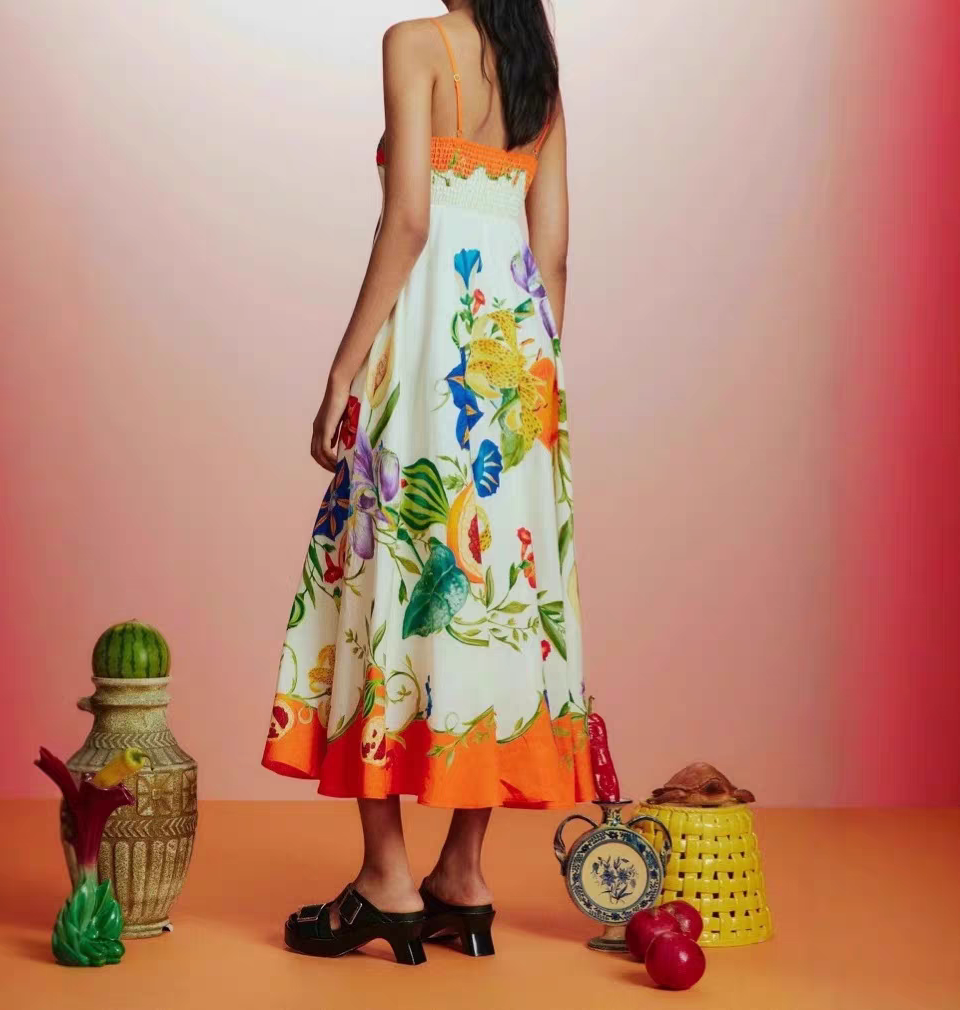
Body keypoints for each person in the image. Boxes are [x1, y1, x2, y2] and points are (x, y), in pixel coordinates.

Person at [262, 0, 593, 964]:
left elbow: (408, 218)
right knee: (495, 599)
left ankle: (388, 878)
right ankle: (463, 876)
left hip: (427, 355)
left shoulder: (414, 45)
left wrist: (342, 368)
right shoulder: (537, 68)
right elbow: (553, 252)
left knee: (383, 581)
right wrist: (531, 393)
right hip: (516, 371)